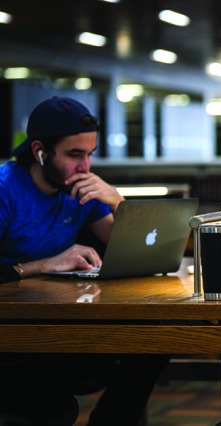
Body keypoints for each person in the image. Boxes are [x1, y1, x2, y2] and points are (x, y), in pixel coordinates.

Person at [0, 97, 169, 425]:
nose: (85, 167)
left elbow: (142, 250)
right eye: (75, 155)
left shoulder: (78, 189)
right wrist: (45, 264)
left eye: (90, 154)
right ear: (40, 151)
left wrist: (116, 201)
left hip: (62, 322)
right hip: (15, 335)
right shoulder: (6, 190)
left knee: (158, 338)